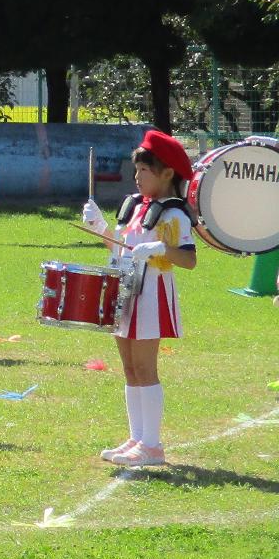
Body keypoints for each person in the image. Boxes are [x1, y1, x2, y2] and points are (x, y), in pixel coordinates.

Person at [84, 130, 198, 468]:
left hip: (153, 295)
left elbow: (189, 259)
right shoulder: (134, 207)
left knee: (146, 367)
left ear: (166, 174)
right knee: (130, 368)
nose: (137, 177)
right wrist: (101, 226)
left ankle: (152, 445)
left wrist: (163, 248)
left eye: (144, 171)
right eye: (136, 171)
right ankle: (136, 437)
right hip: (126, 292)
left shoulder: (173, 214)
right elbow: (120, 249)